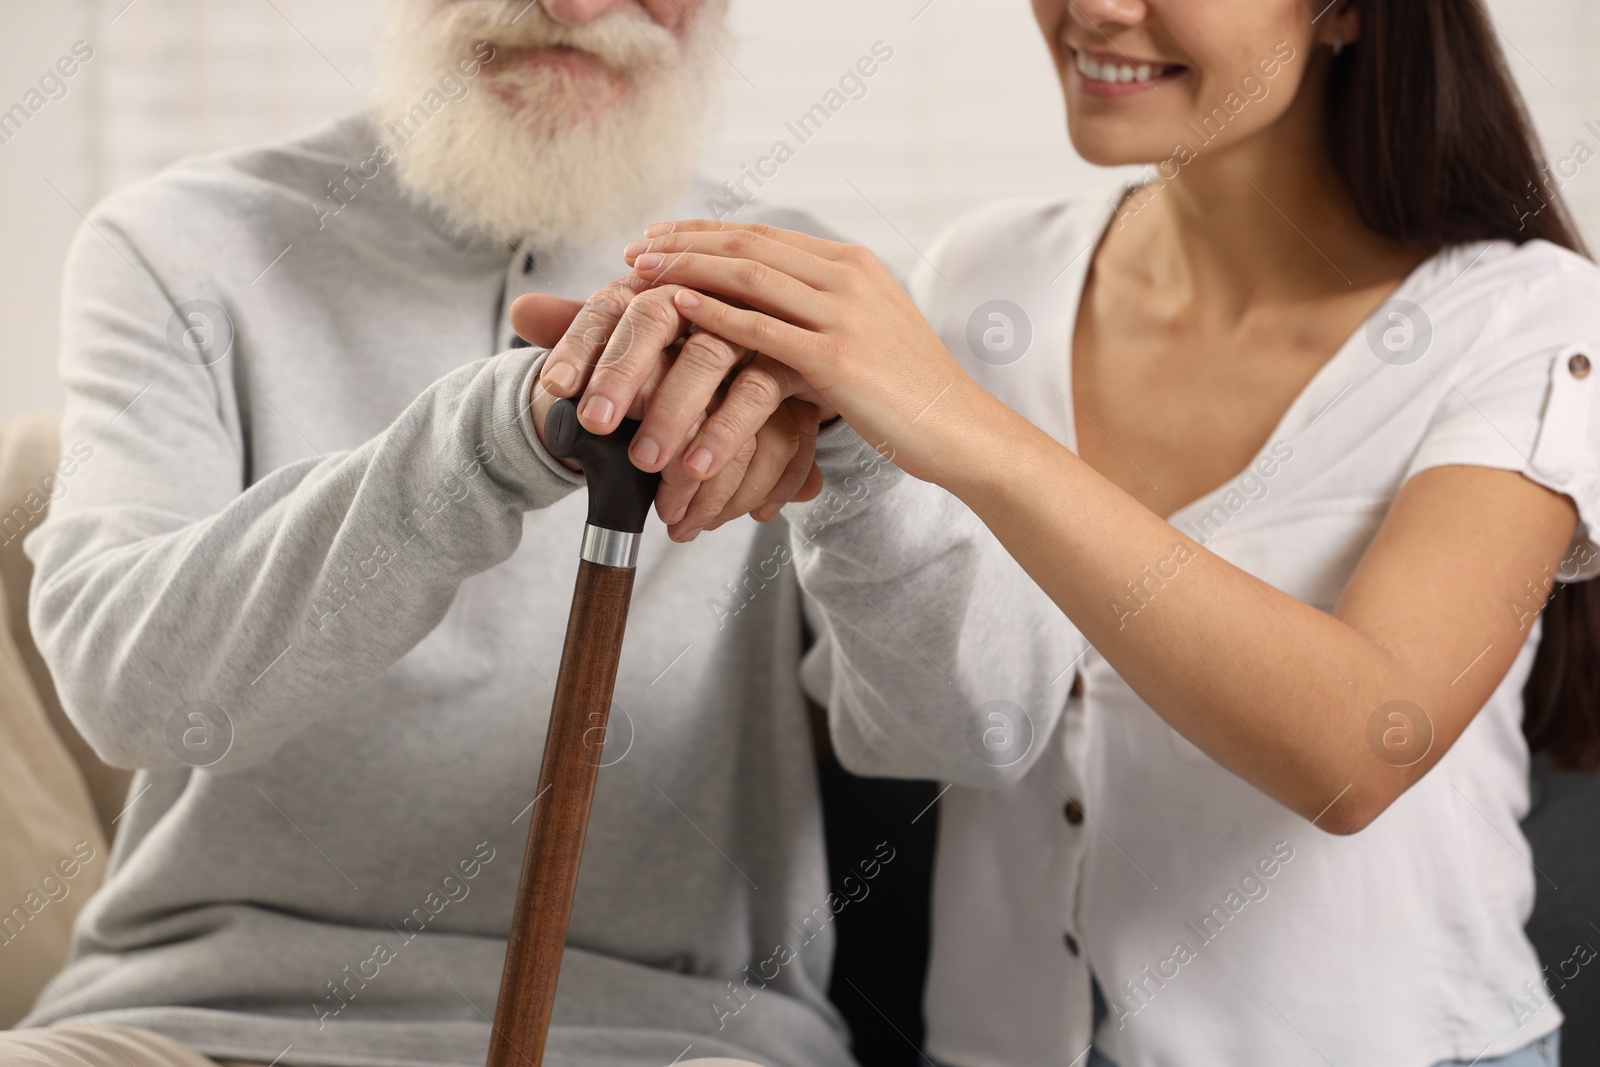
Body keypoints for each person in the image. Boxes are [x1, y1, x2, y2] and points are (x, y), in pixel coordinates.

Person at [533, 0, 1600, 1064]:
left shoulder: (1526, 319)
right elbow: (919, 715)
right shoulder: (987, 279)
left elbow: (1362, 750)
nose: (1095, 9)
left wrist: (959, 424)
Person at [8, 1, 1050, 1065]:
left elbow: (979, 732)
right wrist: (491, 439)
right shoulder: (177, 243)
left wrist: (866, 456)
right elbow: (129, 693)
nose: (578, 6)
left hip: (670, 1036)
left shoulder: (811, 295)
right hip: (187, 1019)